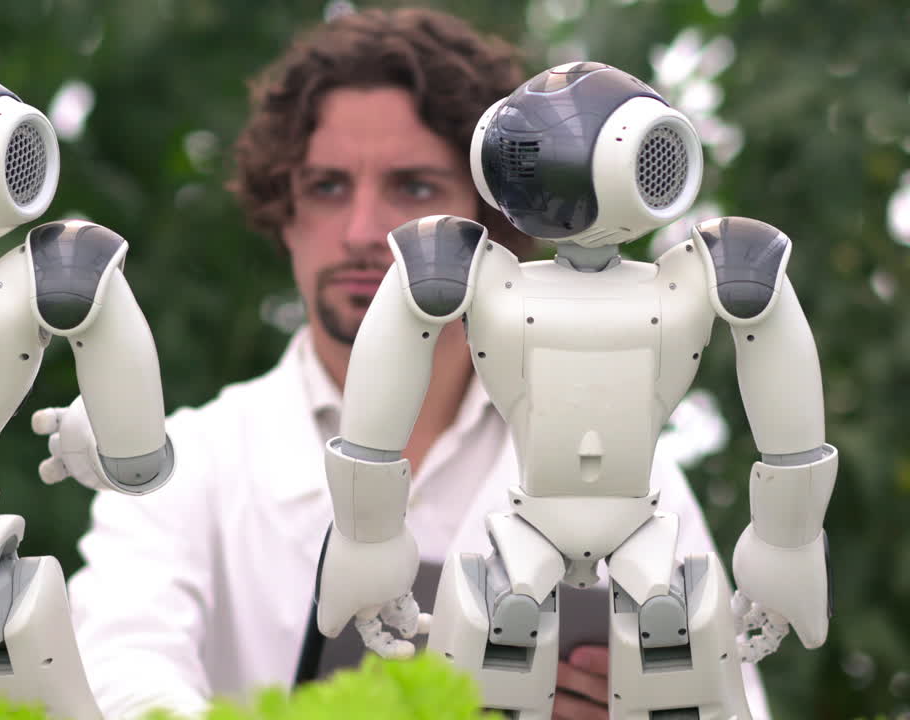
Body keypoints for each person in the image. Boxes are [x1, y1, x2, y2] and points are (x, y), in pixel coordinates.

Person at [39, 8, 769, 719]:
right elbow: (117, 674)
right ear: (283, 211)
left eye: (413, 187)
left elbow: (735, 701)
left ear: (495, 220)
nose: (362, 232)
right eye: (326, 187)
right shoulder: (188, 464)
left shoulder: (635, 473)